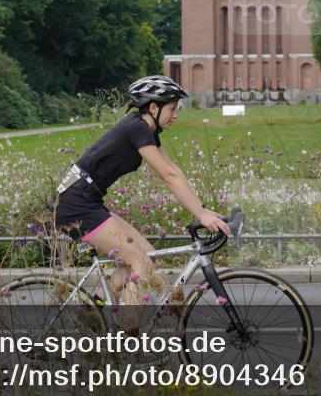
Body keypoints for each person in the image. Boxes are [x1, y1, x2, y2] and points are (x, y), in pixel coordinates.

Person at [53, 75, 231, 326]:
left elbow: (174, 170)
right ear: (154, 107)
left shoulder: (145, 130)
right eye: (172, 108)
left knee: (147, 254)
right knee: (141, 264)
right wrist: (201, 216)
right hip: (76, 205)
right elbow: (168, 176)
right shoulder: (136, 128)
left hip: (85, 200)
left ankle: (94, 309)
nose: (176, 115)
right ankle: (129, 336)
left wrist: (203, 210)